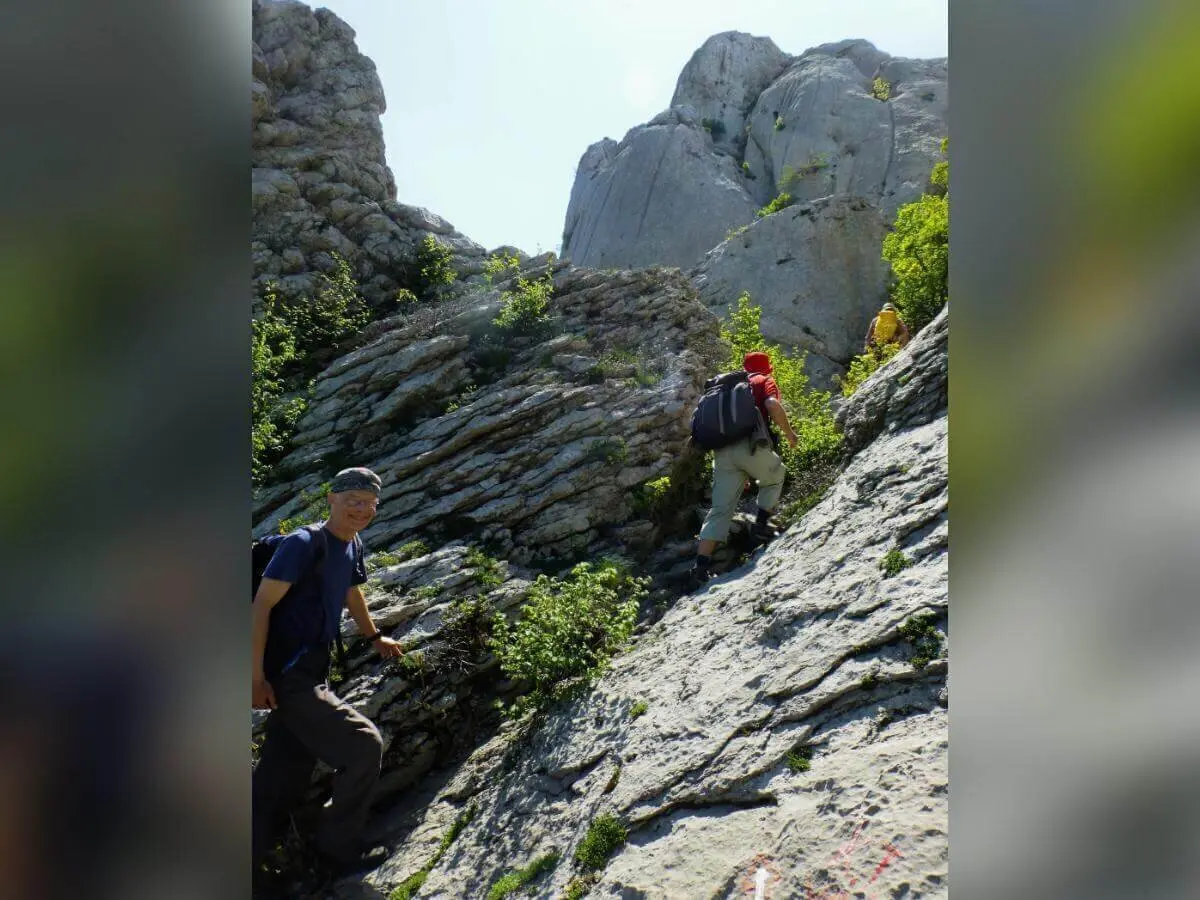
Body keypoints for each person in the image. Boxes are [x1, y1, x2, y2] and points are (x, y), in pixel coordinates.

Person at [251, 467, 404, 882]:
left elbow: (351, 592)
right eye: (353, 500)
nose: (361, 510)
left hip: (315, 668)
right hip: (289, 675)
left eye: (369, 504)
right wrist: (255, 678)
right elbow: (260, 606)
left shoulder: (352, 543)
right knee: (363, 746)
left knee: (281, 776)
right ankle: (335, 853)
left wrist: (375, 637)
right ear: (332, 499)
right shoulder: (303, 544)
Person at [690, 352, 799, 586]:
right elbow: (771, 404)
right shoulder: (762, 381)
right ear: (768, 368)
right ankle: (760, 527)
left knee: (720, 510)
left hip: (721, 453)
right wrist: (789, 433)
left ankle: (700, 567)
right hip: (749, 445)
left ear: (744, 366)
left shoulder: (725, 388)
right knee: (776, 474)